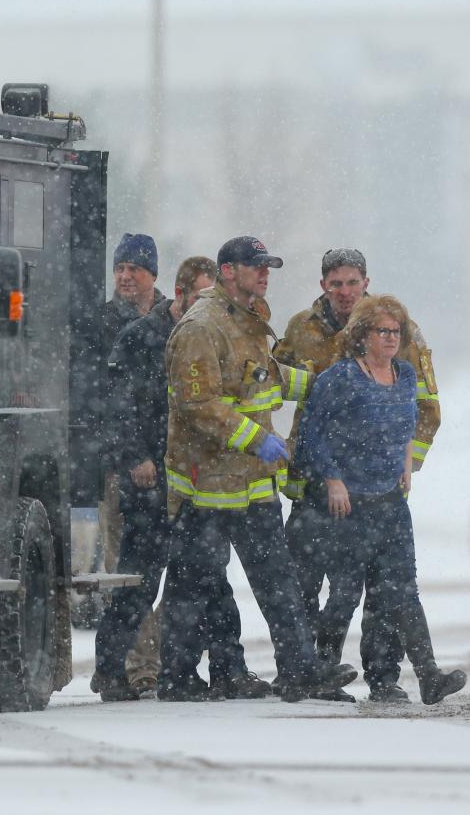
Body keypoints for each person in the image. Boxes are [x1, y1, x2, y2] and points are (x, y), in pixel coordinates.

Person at [159, 235, 357, 702]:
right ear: (228, 271)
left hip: (251, 485)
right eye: (255, 266)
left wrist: (319, 387)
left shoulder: (247, 320)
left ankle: (300, 670)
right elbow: (198, 404)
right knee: (195, 585)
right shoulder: (201, 327)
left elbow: (264, 377)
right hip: (207, 487)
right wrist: (258, 439)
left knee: (278, 584)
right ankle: (178, 677)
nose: (264, 274)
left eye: (268, 266)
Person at [91, 258, 274, 701]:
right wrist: (135, 456)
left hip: (196, 480)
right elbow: (117, 407)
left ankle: (227, 668)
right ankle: (110, 669)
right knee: (140, 581)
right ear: (179, 294)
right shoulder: (140, 340)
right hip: (151, 481)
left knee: (209, 579)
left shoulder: (213, 336)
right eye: (201, 297)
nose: (208, 308)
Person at [274, 248, 441, 703]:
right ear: (323, 286)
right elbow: (270, 383)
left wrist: (406, 462)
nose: (344, 291)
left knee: (380, 590)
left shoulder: (400, 334)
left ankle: (383, 675)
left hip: (377, 489)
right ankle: (307, 670)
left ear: (366, 282)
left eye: (352, 282)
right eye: (335, 283)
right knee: (309, 582)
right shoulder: (299, 329)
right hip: (317, 481)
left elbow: (425, 407)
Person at [297, 294, 466, 706]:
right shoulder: (340, 378)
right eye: (382, 331)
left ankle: (428, 675)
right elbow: (312, 435)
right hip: (348, 504)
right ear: (362, 335)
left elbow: (410, 424)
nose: (391, 339)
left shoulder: (406, 376)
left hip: (391, 501)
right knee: (345, 592)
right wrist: (333, 480)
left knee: (402, 591)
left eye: (396, 332)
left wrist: (406, 463)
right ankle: (323, 671)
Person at [96, 234, 167, 589]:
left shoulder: (173, 320)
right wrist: (133, 453)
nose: (124, 276)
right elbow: (107, 401)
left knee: (185, 569)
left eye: (134, 269)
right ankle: (139, 646)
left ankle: (166, 642)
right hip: (120, 467)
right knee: (126, 573)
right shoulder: (101, 322)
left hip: (175, 466)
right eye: (120, 268)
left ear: (152, 274)